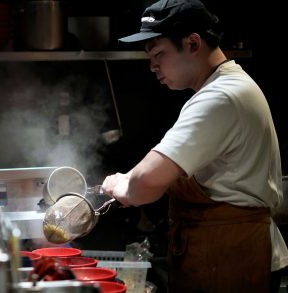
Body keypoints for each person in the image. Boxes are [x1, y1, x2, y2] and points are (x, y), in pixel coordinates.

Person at [101, 0, 288, 292]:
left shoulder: (221, 96)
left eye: (159, 54)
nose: (153, 66)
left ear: (192, 43)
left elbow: (145, 182)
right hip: (226, 252)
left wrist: (121, 186)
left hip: (233, 259)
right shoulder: (226, 87)